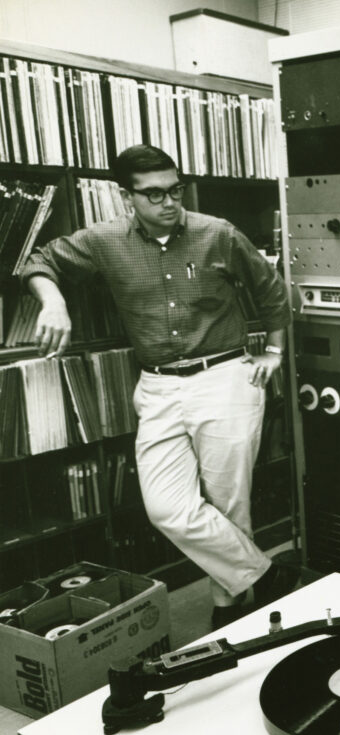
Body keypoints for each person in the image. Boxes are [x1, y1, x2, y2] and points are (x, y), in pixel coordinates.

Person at [22, 144, 297, 629]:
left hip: (224, 378)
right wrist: (53, 302)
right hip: (158, 387)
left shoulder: (218, 233)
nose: (168, 202)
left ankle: (229, 606)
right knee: (166, 507)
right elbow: (38, 261)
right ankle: (266, 574)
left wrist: (273, 352)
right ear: (125, 196)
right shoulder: (103, 240)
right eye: (153, 194)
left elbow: (272, 291)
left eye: (175, 190)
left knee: (229, 502)